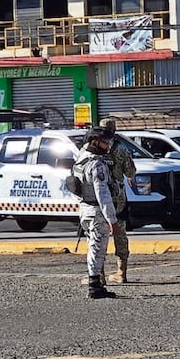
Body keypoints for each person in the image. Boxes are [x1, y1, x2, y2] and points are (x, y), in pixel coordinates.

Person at [73, 127, 119, 299]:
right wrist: (112, 220)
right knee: (98, 249)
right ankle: (94, 286)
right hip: (97, 212)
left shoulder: (81, 158)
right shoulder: (97, 165)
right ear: (95, 142)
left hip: (85, 210)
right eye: (105, 142)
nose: (108, 145)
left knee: (92, 247)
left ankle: (96, 284)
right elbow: (103, 194)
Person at [99, 118, 136, 284]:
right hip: (118, 197)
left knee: (98, 235)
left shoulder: (93, 148)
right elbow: (131, 172)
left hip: (100, 196)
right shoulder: (121, 149)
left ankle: (98, 274)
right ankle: (122, 272)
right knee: (120, 234)